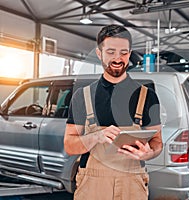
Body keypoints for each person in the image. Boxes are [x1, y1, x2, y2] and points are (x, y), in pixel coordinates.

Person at [64, 24, 162, 200]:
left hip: (132, 184)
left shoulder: (147, 96)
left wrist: (149, 153)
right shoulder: (82, 96)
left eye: (123, 52)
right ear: (99, 53)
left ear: (130, 53)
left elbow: (157, 143)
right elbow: (69, 145)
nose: (118, 58)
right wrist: (96, 136)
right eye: (110, 52)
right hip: (92, 185)